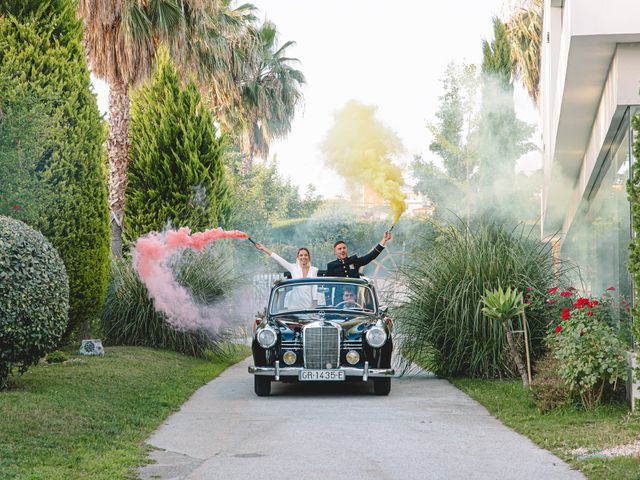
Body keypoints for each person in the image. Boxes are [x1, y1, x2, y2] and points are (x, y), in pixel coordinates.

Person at [254, 243, 318, 310]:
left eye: (305, 255)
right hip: (294, 307)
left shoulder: (314, 270)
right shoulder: (293, 268)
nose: (303, 257)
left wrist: (315, 303)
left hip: (308, 306)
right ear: (298, 258)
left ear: (309, 257)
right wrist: (264, 248)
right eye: (301, 255)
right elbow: (278, 259)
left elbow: (314, 288)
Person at [325, 231, 392, 278]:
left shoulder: (354, 261)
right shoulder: (331, 266)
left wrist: (384, 240)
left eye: (344, 248)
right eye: (339, 249)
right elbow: (327, 285)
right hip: (339, 297)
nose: (342, 250)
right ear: (335, 252)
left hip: (354, 295)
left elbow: (371, 256)